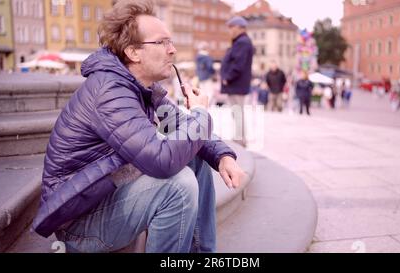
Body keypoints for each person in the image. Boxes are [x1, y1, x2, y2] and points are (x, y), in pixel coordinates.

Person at [32, 0, 245, 253]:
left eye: (171, 42)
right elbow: (160, 160)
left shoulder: (141, 88)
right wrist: (200, 112)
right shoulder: (110, 93)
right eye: (162, 42)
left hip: (107, 193)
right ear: (133, 52)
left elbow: (180, 123)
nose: (173, 50)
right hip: (80, 221)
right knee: (178, 186)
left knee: (196, 156)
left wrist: (222, 156)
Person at [220, 16, 254, 147]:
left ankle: (240, 139)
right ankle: (239, 137)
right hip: (236, 84)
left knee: (238, 112)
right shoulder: (240, 42)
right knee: (237, 112)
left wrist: (228, 77)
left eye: (232, 27)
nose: (230, 30)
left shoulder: (242, 42)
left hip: (236, 83)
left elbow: (238, 64)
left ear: (240, 28)